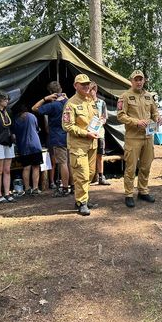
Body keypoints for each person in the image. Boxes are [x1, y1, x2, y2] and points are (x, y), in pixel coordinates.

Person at [117, 70, 162, 208]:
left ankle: (143, 191)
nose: (138, 82)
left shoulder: (149, 96)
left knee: (146, 166)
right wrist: (135, 121)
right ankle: (129, 194)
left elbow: (154, 111)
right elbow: (120, 115)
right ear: (131, 81)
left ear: (144, 81)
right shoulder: (125, 97)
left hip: (148, 136)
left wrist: (157, 118)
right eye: (136, 79)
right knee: (131, 168)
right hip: (133, 137)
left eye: (141, 79)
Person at [62, 73, 99, 216]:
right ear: (75, 86)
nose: (86, 86)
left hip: (92, 144)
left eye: (87, 84)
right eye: (82, 84)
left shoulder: (90, 100)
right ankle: (81, 202)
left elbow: (94, 119)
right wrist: (85, 133)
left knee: (90, 173)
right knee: (82, 174)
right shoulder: (71, 104)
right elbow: (67, 126)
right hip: (78, 146)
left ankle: (84, 198)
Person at [32, 81, 72, 197]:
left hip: (58, 137)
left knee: (63, 163)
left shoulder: (52, 105)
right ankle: (73, 186)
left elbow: (34, 108)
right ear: (61, 90)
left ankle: (64, 188)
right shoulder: (69, 102)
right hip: (70, 135)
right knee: (70, 163)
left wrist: (45, 98)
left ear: (51, 92)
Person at [12, 104, 44, 195]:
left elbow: (14, 135)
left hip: (23, 146)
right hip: (35, 145)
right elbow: (37, 128)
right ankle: (35, 188)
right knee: (36, 167)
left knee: (26, 167)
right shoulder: (31, 116)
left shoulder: (16, 120)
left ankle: (27, 188)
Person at [89, 82, 111, 185]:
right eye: (88, 90)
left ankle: (101, 176)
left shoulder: (101, 103)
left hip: (99, 133)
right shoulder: (85, 103)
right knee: (89, 155)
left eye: (91, 90)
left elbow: (105, 117)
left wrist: (100, 121)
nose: (90, 92)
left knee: (100, 155)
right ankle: (90, 177)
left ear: (95, 90)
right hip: (88, 133)